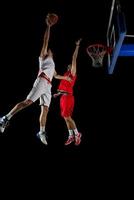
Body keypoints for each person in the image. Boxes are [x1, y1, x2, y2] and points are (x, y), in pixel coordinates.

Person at [0, 13, 69, 145]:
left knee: (45, 109)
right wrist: (49, 27)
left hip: (48, 85)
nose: (50, 50)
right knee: (27, 102)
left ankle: (41, 132)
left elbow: (55, 76)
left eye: (51, 50)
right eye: (49, 50)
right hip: (42, 81)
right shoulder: (43, 57)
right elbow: (46, 41)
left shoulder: (53, 64)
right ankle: (5, 118)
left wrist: (66, 77)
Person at [53, 39, 82, 145]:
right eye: (69, 65)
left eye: (72, 65)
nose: (71, 65)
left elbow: (74, 57)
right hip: (63, 97)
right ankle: (71, 135)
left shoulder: (72, 74)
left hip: (68, 97)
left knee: (68, 117)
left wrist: (77, 46)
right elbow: (57, 78)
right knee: (65, 118)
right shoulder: (65, 75)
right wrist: (58, 93)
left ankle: (77, 133)